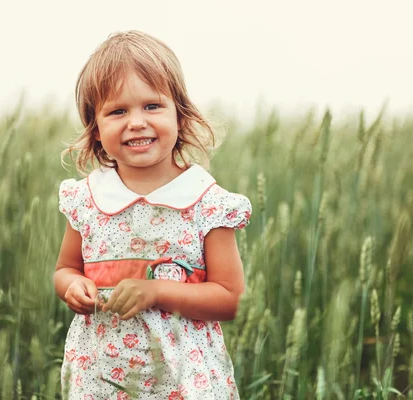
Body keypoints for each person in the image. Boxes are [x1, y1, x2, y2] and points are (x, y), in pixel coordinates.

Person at [54, 30, 252, 400]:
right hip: (101, 378)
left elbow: (231, 298)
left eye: (152, 106)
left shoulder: (205, 202)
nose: (136, 122)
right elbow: (65, 268)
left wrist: (156, 292)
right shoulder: (88, 199)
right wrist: (72, 287)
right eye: (117, 111)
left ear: (180, 114)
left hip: (182, 381)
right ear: (96, 130)